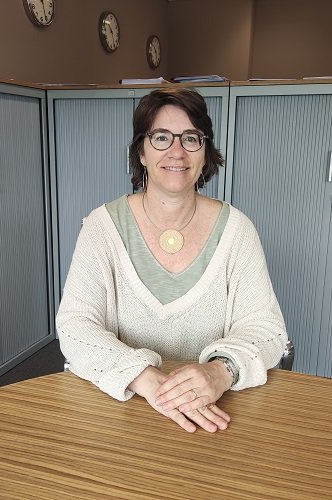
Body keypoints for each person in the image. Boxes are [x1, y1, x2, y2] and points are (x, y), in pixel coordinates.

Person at [56, 88, 287, 433]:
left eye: (191, 138)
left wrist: (220, 371)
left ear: (205, 152)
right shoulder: (100, 227)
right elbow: (75, 325)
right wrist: (142, 376)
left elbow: (267, 329)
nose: (177, 151)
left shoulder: (237, 229)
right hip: (121, 412)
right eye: (161, 137)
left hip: (213, 414)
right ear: (141, 151)